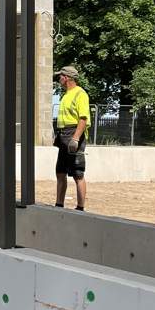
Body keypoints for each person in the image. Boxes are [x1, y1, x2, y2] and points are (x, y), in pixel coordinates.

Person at [54, 66, 90, 211]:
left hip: (74, 134)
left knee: (77, 173)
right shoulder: (66, 95)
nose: (59, 78)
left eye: (60, 76)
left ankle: (80, 208)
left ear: (67, 77)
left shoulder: (80, 94)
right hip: (63, 134)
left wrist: (75, 139)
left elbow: (83, 118)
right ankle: (59, 205)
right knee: (60, 172)